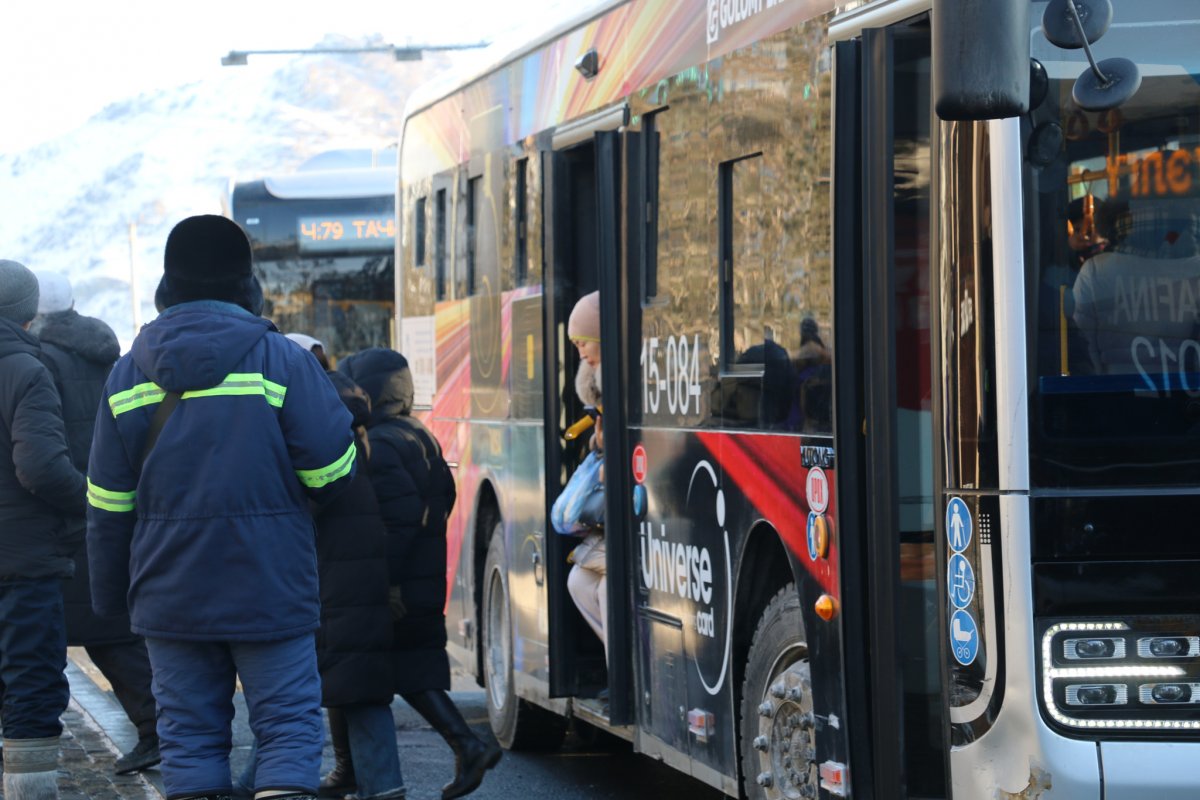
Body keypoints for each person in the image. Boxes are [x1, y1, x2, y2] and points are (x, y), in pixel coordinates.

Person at [86, 215, 358, 800]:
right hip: (270, 583)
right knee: (286, 726)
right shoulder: (283, 362)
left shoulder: (127, 373)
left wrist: (112, 599)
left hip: (169, 590)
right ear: (247, 285)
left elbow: (108, 504)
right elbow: (332, 471)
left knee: (187, 734)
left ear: (167, 287)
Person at [338, 348, 500, 800]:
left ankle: (467, 745)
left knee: (371, 673)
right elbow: (440, 500)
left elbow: (399, 520)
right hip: (423, 573)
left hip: (401, 582)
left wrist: (386, 582)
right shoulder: (416, 433)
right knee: (408, 671)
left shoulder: (383, 442)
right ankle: (466, 747)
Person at [238, 369, 404, 800]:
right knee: (362, 691)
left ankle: (253, 782)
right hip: (359, 586)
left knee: (287, 694)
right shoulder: (358, 445)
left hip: (328, 586)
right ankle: (384, 788)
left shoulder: (317, 455)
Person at [31, 271, 160, 775]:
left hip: (62, 511)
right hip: (110, 502)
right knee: (115, 634)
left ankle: (156, 733)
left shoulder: (38, 361)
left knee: (43, 636)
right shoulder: (106, 352)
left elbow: (41, 450)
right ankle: (159, 731)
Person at [0, 259, 86, 800]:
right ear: (28, 314)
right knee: (30, 689)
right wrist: (90, 499)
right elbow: (40, 467)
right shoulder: (25, 369)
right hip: (21, 563)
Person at [563, 291, 607, 661]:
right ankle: (617, 660)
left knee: (609, 592)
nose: (580, 353)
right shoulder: (598, 399)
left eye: (584, 342)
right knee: (578, 581)